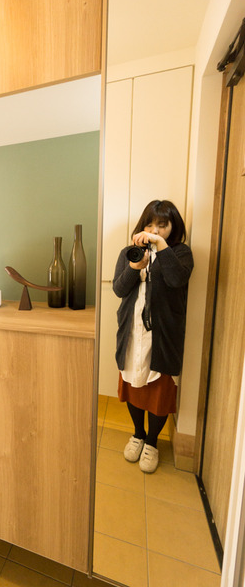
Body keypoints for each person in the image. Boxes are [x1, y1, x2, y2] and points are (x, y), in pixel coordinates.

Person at [112, 200, 194, 473]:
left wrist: (161, 246)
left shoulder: (180, 253)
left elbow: (176, 280)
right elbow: (119, 289)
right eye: (149, 224)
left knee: (159, 390)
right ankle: (138, 434)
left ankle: (152, 442)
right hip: (132, 329)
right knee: (132, 384)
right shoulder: (129, 252)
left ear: (173, 226)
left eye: (162, 224)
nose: (154, 230)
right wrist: (135, 266)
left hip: (162, 335)